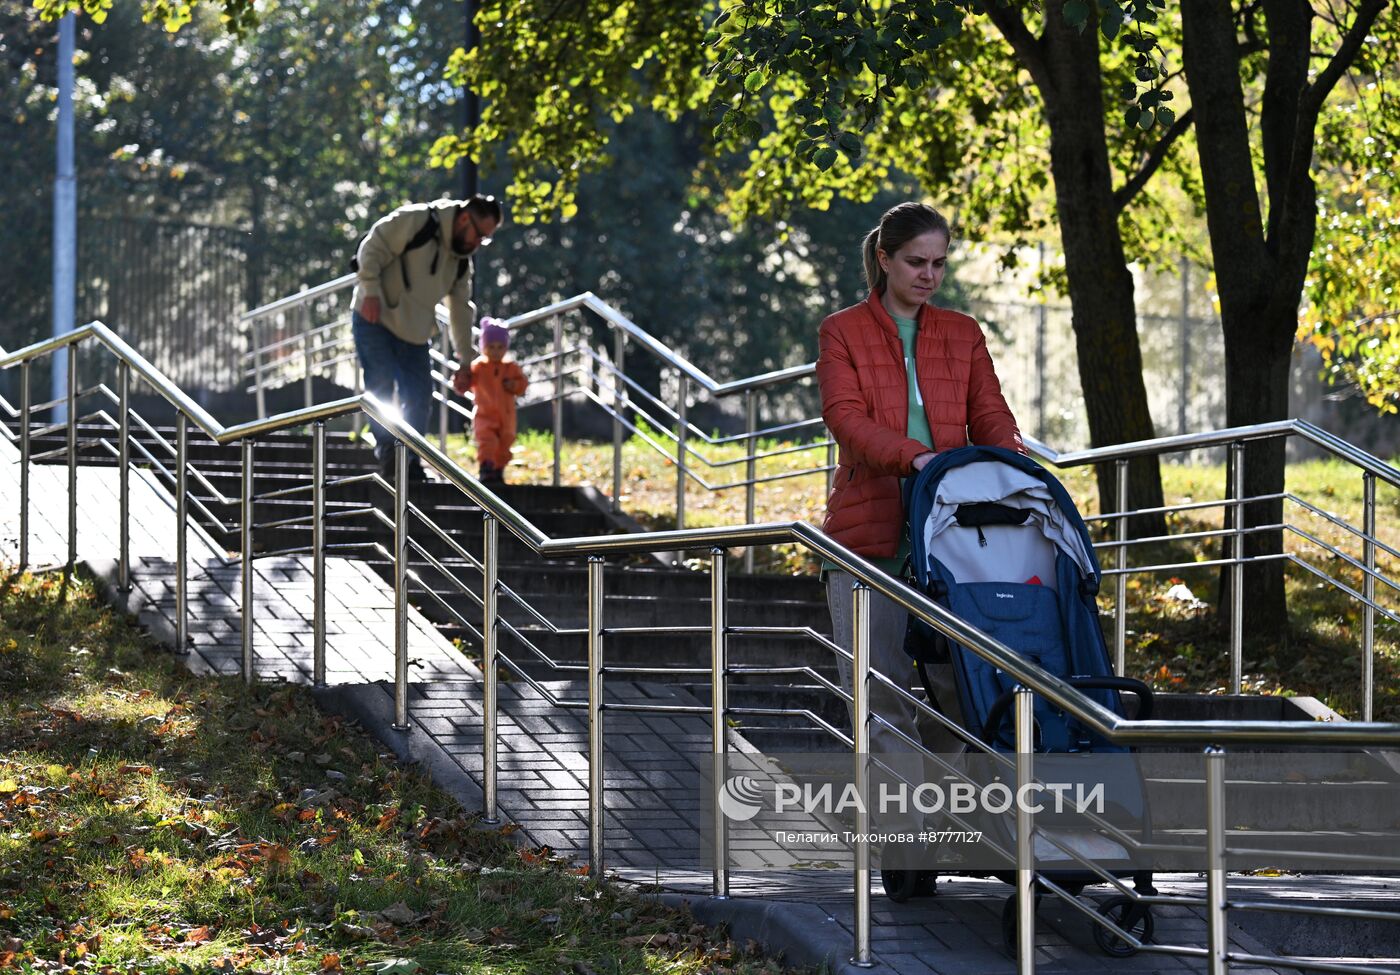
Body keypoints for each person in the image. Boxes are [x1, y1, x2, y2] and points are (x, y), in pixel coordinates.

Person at [815, 201, 1026, 761]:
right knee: (880, 693)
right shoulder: (841, 332)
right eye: (915, 262)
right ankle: (902, 844)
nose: (928, 275)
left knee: (962, 691)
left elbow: (990, 414)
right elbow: (847, 421)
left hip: (953, 535)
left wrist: (1015, 464)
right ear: (884, 259)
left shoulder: (962, 333)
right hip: (869, 538)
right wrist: (918, 459)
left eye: (938, 263)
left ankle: (938, 827)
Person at [350, 194, 503, 479]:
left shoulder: (460, 263)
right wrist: (369, 289)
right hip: (375, 316)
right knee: (380, 384)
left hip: (416, 330)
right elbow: (372, 245)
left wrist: (466, 361)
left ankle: (410, 459)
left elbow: (460, 311)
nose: (477, 244)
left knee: (420, 397)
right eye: (479, 235)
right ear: (465, 218)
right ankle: (387, 453)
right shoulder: (417, 220)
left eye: (485, 240)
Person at [462, 318, 528, 483]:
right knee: (487, 442)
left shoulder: (511, 367)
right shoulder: (478, 367)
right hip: (484, 414)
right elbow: (465, 382)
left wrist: (513, 385)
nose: (496, 351)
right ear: (484, 347)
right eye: (491, 347)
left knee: (505, 442)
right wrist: (461, 380)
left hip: (506, 416)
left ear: (506, 348)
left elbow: (522, 385)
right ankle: (486, 467)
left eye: (500, 347)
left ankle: (498, 469)